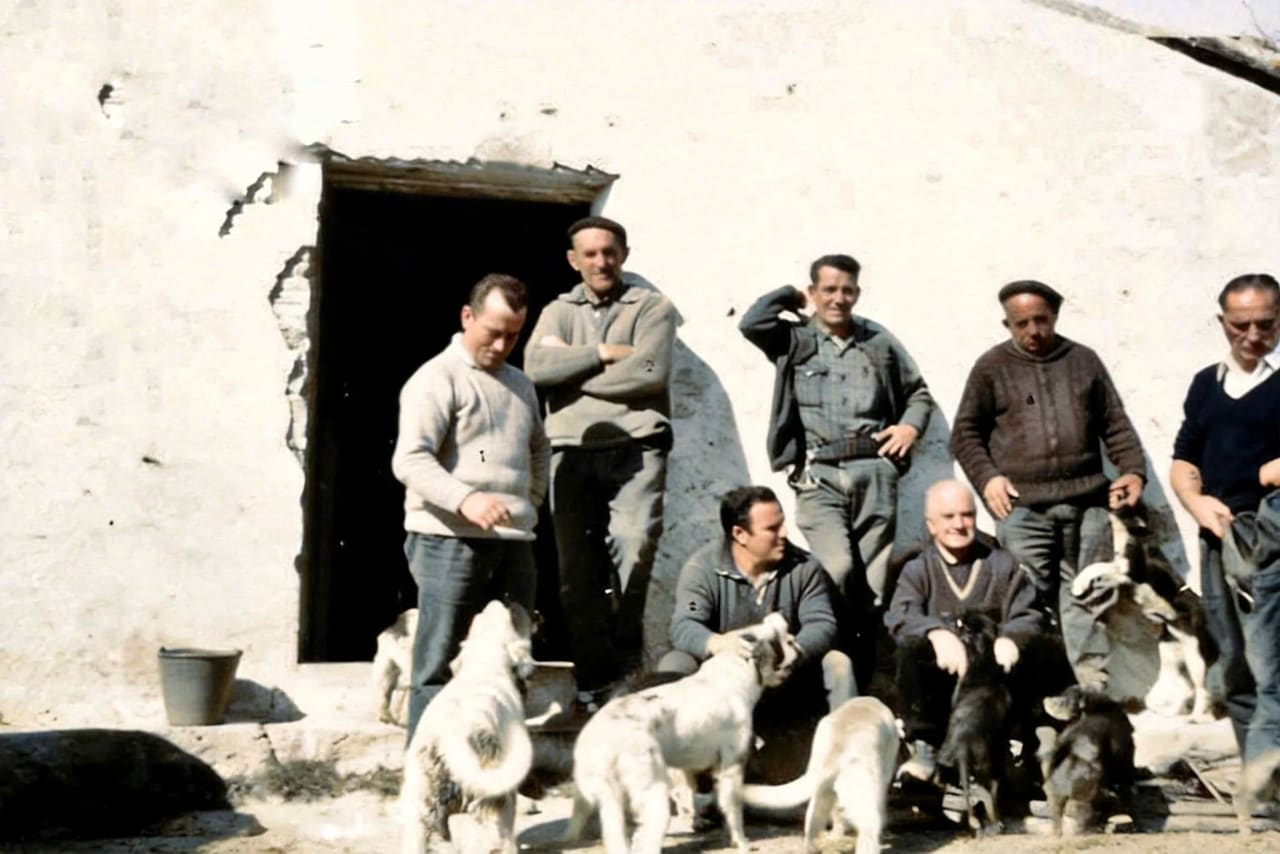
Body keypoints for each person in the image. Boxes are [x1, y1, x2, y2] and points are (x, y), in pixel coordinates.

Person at [739, 254, 933, 688]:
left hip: (874, 473)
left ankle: (861, 679)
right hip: (819, 473)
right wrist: (790, 297)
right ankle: (825, 667)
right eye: (828, 289)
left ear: (857, 293)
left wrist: (909, 427)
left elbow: (917, 392)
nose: (838, 299)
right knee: (838, 569)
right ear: (813, 293)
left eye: (847, 290)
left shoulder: (878, 341)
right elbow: (751, 323)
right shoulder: (794, 339)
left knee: (875, 585)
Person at [951, 280, 1146, 685]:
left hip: (1089, 505)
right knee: (1026, 601)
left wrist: (1131, 471)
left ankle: (1093, 691)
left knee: (1088, 598)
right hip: (1024, 511)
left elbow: (1116, 425)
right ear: (1007, 324)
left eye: (1041, 320)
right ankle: (1035, 694)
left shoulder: (1084, 361)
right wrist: (989, 480)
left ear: (1055, 316)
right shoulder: (992, 367)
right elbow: (965, 433)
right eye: (1021, 323)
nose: (1033, 331)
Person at [524, 216, 678, 701]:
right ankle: (595, 682)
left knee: (634, 552)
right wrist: (605, 352)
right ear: (574, 261)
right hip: (570, 450)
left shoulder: (651, 307)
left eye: (609, 252)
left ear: (624, 254)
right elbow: (534, 367)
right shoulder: (557, 310)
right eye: (589, 254)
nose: (600, 262)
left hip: (637, 445)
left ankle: (626, 667)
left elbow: (650, 374)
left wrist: (573, 371)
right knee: (577, 574)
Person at [390, 273, 550, 739]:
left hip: (515, 544)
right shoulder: (436, 379)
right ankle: (431, 776)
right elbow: (410, 459)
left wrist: (530, 502)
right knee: (437, 664)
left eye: (513, 335)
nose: (501, 345)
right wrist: (466, 499)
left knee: (513, 659)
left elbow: (539, 449)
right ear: (467, 317)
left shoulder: (521, 385)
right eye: (492, 332)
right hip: (448, 542)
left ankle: (501, 766)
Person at [1171, 273, 1280, 773]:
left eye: (1265, 323)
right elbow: (1183, 458)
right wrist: (1195, 501)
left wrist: (1266, 473)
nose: (1253, 335)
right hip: (1215, 539)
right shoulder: (1205, 384)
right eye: (1241, 325)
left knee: (1271, 667)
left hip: (1266, 541)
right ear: (1223, 324)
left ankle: (1266, 793)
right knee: (1233, 666)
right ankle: (1262, 779)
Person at [885, 479, 1058, 782]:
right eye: (948, 517)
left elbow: (1028, 613)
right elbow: (901, 615)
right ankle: (924, 750)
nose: (959, 524)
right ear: (931, 525)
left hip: (992, 682)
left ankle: (1024, 750)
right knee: (911, 649)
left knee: (1043, 651)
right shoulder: (918, 569)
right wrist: (935, 632)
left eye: (967, 515)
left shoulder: (1001, 564)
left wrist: (1012, 638)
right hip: (942, 683)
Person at [658, 485, 855, 718]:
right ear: (740, 534)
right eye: (772, 528)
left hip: (787, 677)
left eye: (782, 524)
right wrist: (717, 643)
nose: (783, 534)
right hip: (728, 683)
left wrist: (795, 652)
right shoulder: (702, 568)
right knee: (674, 664)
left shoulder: (805, 567)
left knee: (838, 663)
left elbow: (822, 623)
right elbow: (684, 626)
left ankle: (846, 738)